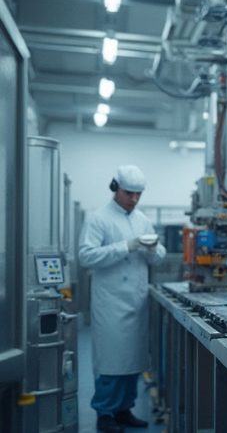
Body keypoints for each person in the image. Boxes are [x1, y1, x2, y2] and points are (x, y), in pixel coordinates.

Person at [79, 165, 164, 432]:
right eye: (130, 193)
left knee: (133, 360)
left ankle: (124, 409)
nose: (134, 199)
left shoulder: (141, 219)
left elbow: (158, 256)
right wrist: (126, 246)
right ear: (115, 188)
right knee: (111, 361)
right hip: (111, 302)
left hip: (136, 301)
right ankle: (104, 414)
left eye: (139, 194)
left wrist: (153, 248)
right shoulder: (98, 218)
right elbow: (86, 256)